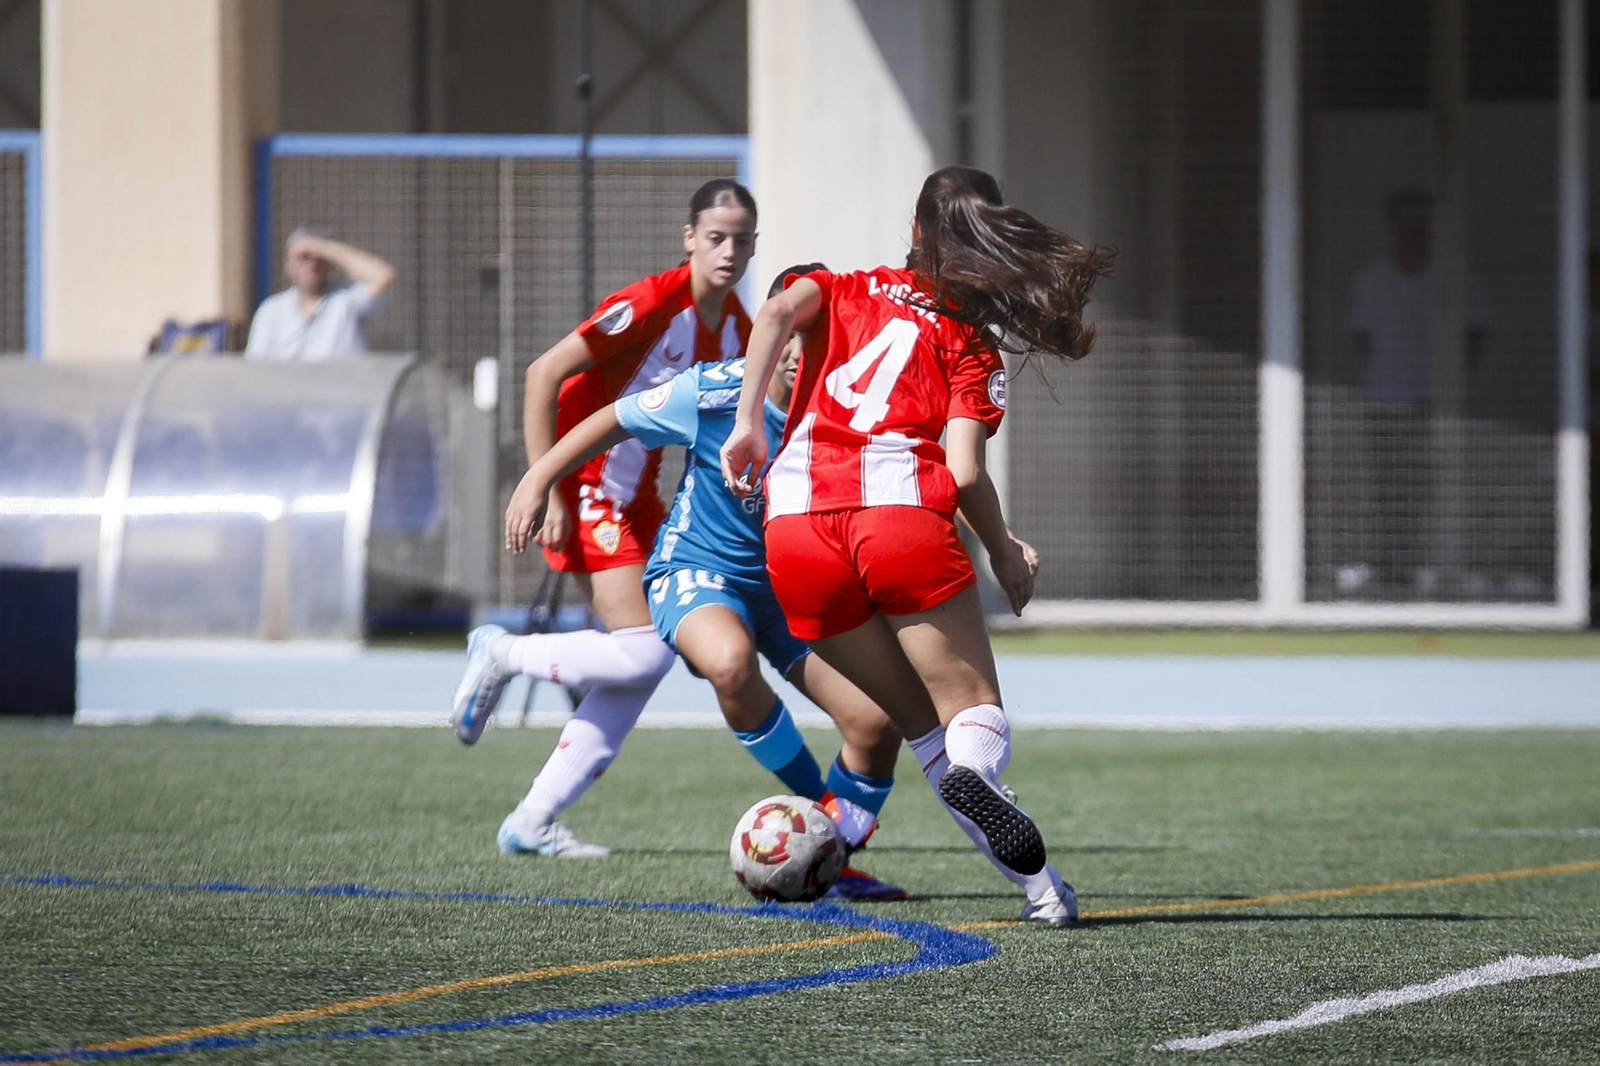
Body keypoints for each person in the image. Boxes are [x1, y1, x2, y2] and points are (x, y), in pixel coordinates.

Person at [720, 166, 1113, 926]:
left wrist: (746, 424)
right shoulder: (970, 344)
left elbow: (771, 317)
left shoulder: (838, 287)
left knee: (925, 733)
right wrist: (1001, 550)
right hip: (897, 519)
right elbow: (963, 473)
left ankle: (1044, 893)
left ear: (913, 232)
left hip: (796, 527)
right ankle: (979, 776)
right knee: (972, 717)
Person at [488, 264, 906, 900]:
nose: (797, 354)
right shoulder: (714, 390)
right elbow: (612, 419)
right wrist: (536, 479)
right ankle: (819, 813)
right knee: (731, 663)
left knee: (877, 725)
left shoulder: (850, 411)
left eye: (813, 337)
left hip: (788, 589)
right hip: (695, 571)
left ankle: (831, 858)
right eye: (788, 335)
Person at [451, 179, 757, 858]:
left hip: (641, 499)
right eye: (715, 237)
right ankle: (503, 652)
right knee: (645, 649)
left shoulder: (739, 324)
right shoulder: (650, 302)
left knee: (645, 661)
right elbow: (542, 375)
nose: (728, 250)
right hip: (589, 488)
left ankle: (532, 820)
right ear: (689, 239)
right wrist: (546, 484)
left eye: (741, 239)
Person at [244, 229, 396, 360]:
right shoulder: (271, 311)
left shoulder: (346, 299)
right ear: (288, 264)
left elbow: (383, 277)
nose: (312, 265)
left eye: (319, 259)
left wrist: (324, 248)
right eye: (304, 257)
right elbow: (256, 367)